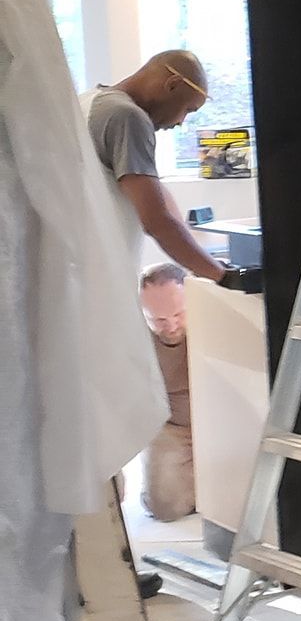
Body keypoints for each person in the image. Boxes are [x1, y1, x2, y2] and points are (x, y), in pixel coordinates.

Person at [84, 50, 231, 282]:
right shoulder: (127, 116)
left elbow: (155, 192)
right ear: (172, 85)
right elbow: (157, 221)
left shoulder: (90, 101)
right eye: (187, 110)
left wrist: (199, 256)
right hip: (98, 274)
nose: (181, 122)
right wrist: (221, 275)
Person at [139, 263, 195, 523]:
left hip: (219, 421)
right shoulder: (134, 334)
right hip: (171, 426)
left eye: (179, 314)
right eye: (159, 320)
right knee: (164, 507)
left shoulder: (213, 315)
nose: (171, 325)